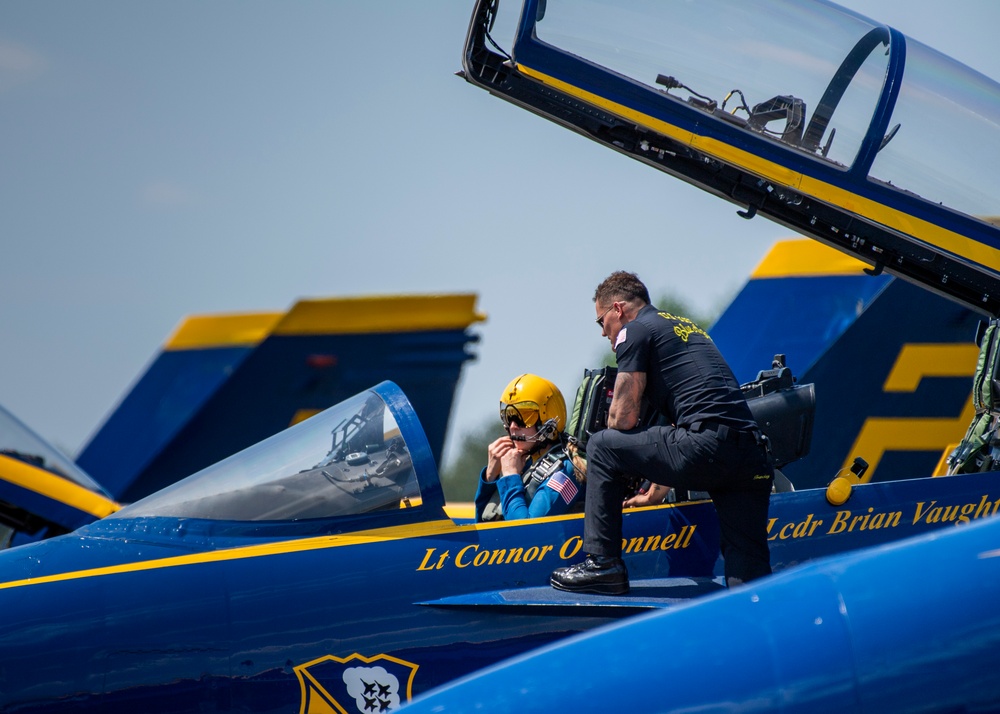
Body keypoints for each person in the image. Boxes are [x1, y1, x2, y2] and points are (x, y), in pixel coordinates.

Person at [550, 271, 773, 595]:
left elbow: (624, 420)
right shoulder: (687, 329)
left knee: (601, 445)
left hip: (706, 447)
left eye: (601, 322)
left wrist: (614, 468)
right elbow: (690, 423)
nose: (603, 334)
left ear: (618, 309)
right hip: (751, 456)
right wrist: (655, 491)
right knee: (749, 569)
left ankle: (603, 565)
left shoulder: (634, 331)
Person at [475, 374, 585, 522]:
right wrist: (490, 477)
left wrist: (509, 477)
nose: (513, 426)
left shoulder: (567, 472)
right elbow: (483, 529)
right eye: (508, 416)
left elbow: (527, 532)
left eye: (525, 417)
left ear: (548, 421)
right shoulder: (525, 464)